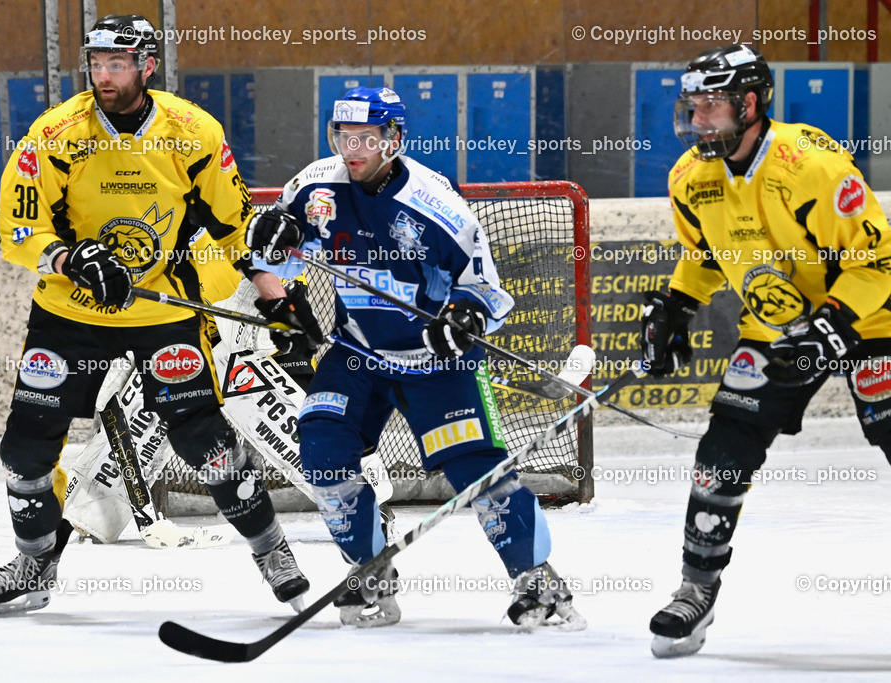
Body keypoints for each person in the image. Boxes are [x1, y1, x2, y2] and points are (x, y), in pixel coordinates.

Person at [0, 14, 321, 617]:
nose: (103, 75)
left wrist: (276, 296)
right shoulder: (53, 134)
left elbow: (234, 226)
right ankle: (34, 562)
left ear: (147, 66)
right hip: (68, 314)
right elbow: (18, 229)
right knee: (24, 451)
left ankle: (272, 552)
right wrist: (69, 257)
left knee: (206, 444)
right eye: (96, 63)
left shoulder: (193, 132)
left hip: (162, 312)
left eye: (117, 63)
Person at [245, 86, 585, 630]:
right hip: (358, 351)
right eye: (341, 135)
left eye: (365, 138)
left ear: (394, 140)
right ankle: (369, 571)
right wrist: (267, 239)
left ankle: (537, 579)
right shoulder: (315, 186)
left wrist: (467, 317)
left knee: (477, 473)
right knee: (323, 452)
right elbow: (269, 257)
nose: (350, 148)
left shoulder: (435, 204)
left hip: (435, 361)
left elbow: (490, 294)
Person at [642, 44, 891, 658]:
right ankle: (694, 591)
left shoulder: (810, 165)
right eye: (691, 108)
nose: (697, 121)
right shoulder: (689, 179)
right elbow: (703, 256)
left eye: (710, 108)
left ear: (749, 105)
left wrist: (833, 328)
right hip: (775, 328)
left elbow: (878, 262)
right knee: (725, 443)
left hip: (872, 317)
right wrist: (675, 306)